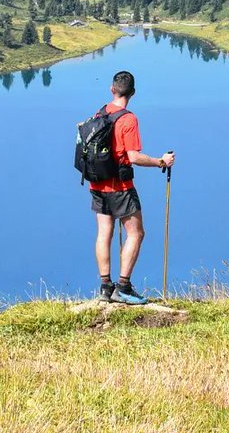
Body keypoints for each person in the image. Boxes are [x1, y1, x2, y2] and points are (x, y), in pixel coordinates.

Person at [88, 70, 175, 304]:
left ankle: (106, 287)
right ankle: (123, 287)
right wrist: (160, 162)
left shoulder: (100, 112)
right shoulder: (128, 119)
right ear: (133, 93)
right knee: (136, 233)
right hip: (120, 186)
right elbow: (133, 156)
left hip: (97, 183)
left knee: (104, 233)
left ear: (111, 89)